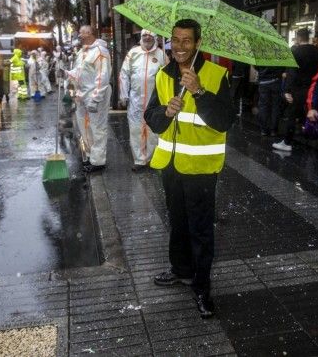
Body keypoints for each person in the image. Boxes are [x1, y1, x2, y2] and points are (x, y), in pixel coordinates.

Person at [144, 19, 235, 319]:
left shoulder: (215, 74)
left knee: (200, 229)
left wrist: (198, 92)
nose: (180, 46)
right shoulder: (162, 75)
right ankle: (181, 269)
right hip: (170, 166)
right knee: (178, 221)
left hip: (200, 167)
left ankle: (201, 286)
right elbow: (152, 118)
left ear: (197, 43)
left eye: (186, 41)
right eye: (175, 40)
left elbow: (224, 120)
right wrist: (165, 112)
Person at [64, 25, 111, 173]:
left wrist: (96, 98)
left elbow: (102, 76)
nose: (80, 35)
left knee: (97, 128)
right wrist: (66, 73)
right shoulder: (82, 52)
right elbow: (78, 72)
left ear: (91, 34)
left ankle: (98, 162)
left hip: (95, 95)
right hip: (82, 95)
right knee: (85, 127)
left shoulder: (100, 52)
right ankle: (91, 156)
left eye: (83, 33)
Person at [119, 29, 165, 171]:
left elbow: (166, 78)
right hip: (135, 99)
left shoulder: (161, 55)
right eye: (144, 35)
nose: (147, 37)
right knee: (136, 129)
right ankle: (139, 160)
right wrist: (123, 95)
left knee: (153, 131)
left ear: (155, 37)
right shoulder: (133, 53)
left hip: (154, 100)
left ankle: (152, 159)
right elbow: (124, 74)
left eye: (150, 35)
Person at [272, 28, 318, 152]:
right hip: (313, 89)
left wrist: (287, 91)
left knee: (292, 115)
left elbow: (291, 73)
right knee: (309, 112)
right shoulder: (317, 51)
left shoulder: (295, 52)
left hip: (298, 89)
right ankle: (310, 135)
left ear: (298, 38)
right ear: (308, 37)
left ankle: (287, 142)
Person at [256, 66, 285, 136]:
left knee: (263, 106)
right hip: (276, 81)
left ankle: (264, 130)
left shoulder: (260, 54)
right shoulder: (279, 55)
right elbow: (283, 67)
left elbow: (256, 66)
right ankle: (273, 130)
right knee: (276, 106)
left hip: (263, 82)